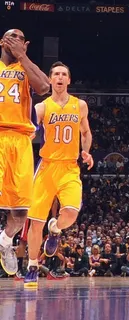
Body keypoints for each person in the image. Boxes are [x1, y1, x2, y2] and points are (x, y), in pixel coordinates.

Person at [24, 62, 93, 289]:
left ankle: (55, 229)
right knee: (36, 221)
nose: (60, 77)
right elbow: (29, 130)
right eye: (56, 74)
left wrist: (86, 151)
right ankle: (32, 266)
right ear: (50, 79)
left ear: (69, 80)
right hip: (46, 167)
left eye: (64, 74)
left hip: (70, 167)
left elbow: (86, 132)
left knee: (71, 214)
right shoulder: (42, 107)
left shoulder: (79, 105)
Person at [0, 28, 49, 276]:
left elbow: (44, 87)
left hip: (20, 141)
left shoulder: (26, 68)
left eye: (19, 38)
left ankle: (5, 240)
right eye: (11, 36)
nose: (15, 40)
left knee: (20, 212)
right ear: (2, 42)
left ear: (25, 44)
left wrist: (23, 56)